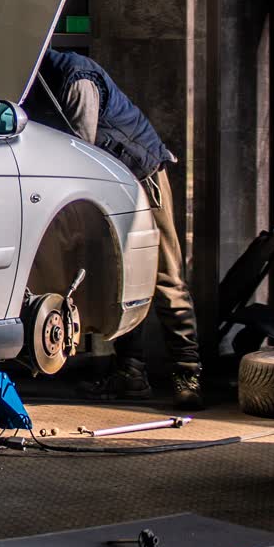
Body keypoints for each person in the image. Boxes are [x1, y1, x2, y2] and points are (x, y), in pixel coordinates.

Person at [30, 49, 203, 410]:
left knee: (165, 278)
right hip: (108, 187)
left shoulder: (76, 77)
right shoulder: (35, 84)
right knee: (123, 281)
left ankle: (189, 376)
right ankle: (131, 374)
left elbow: (80, 148)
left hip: (141, 180)